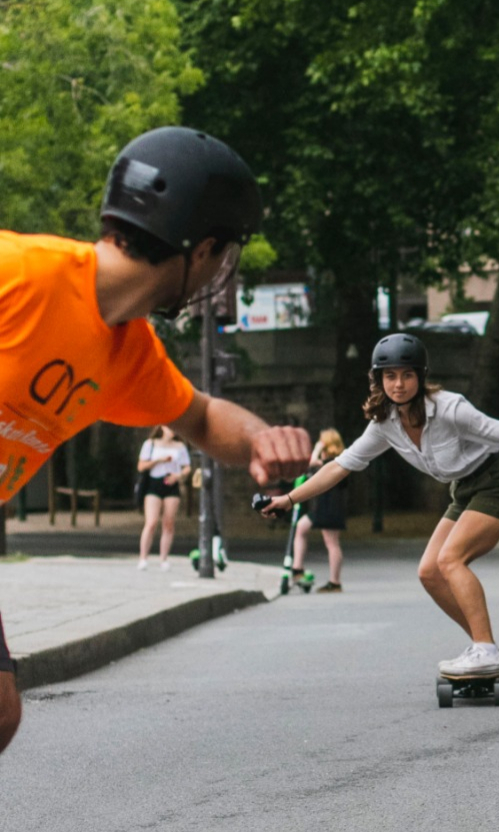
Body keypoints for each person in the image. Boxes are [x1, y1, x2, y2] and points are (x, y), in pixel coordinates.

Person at [0, 126, 312, 757]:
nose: (221, 272)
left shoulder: (127, 351)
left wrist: (263, 441)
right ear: (203, 249)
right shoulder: (20, 271)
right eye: (226, 255)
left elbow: (197, 416)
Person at [257, 333, 499, 681]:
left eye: (407, 375)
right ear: (379, 380)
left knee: (450, 559)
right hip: (464, 491)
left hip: (498, 484)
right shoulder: (385, 424)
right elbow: (339, 466)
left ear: (420, 376)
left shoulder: (451, 408)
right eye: (390, 376)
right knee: (429, 572)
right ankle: (483, 647)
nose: (399, 384)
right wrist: (287, 500)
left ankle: (485, 650)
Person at [291, 428, 348, 592]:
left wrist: (316, 450)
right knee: (301, 527)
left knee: (332, 544)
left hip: (330, 509)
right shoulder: (331, 463)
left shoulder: (333, 463)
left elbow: (311, 463)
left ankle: (335, 582)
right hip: (321, 509)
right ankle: (297, 568)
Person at [136, 423, 192, 570]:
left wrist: (177, 476)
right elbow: (141, 466)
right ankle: (143, 558)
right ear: (162, 427)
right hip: (154, 483)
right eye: (169, 427)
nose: (172, 430)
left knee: (168, 522)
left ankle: (164, 558)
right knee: (151, 522)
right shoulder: (150, 444)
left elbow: (187, 467)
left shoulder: (180, 446)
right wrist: (159, 460)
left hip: (171, 483)